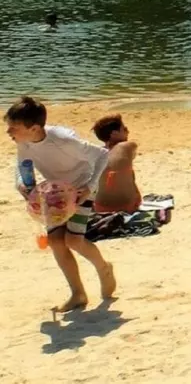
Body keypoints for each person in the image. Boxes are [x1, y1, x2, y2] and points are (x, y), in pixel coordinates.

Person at [6, 96, 115, 312]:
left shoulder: (63, 139)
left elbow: (102, 155)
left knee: (74, 240)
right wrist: (21, 184)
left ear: (35, 127)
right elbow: (21, 165)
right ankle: (78, 294)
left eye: (13, 128)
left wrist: (90, 186)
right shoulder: (24, 142)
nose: (9, 133)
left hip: (82, 187)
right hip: (55, 190)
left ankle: (104, 268)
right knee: (56, 242)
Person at [90, 115, 142, 215]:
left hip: (100, 208)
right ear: (114, 133)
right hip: (129, 207)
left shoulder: (96, 153)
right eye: (124, 129)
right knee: (128, 172)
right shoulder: (128, 146)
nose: (128, 132)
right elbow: (130, 156)